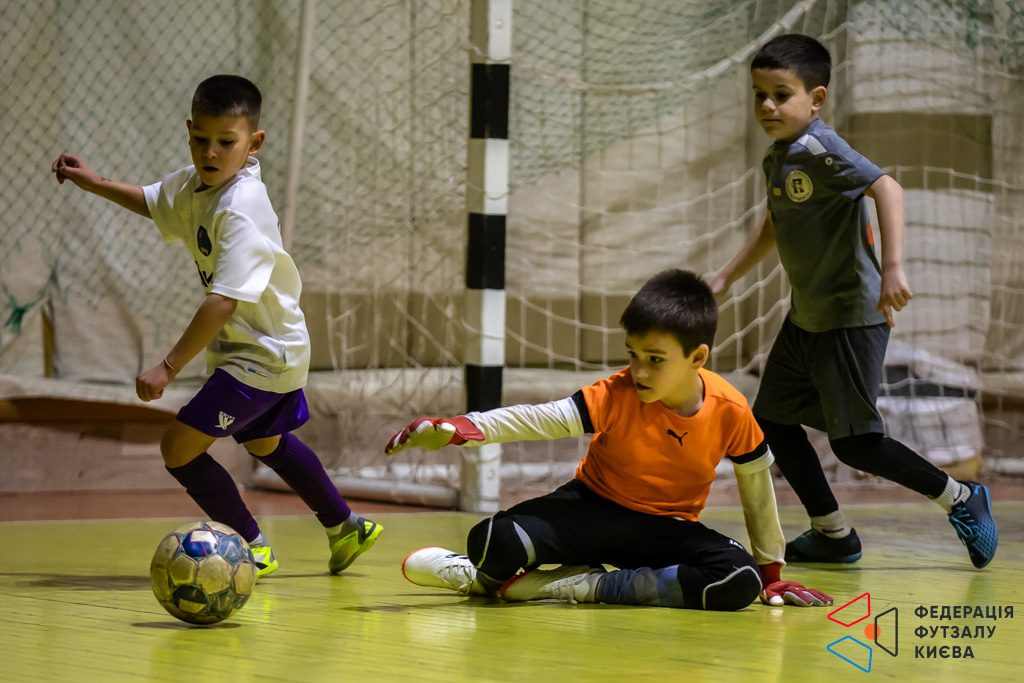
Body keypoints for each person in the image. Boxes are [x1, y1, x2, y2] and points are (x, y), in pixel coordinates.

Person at [52, 74, 382, 577]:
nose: (210, 152)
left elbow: (223, 302)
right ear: (189, 131)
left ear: (254, 143)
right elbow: (155, 202)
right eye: (201, 138)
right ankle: (345, 525)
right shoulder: (195, 183)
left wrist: (167, 367)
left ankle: (251, 547)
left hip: (263, 355)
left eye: (226, 142)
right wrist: (95, 184)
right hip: (264, 350)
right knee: (266, 442)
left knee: (178, 448)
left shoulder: (241, 207)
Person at [709, 34, 996, 568]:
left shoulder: (821, 148)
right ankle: (833, 533)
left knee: (856, 444)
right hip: (806, 318)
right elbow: (776, 223)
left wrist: (893, 267)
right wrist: (725, 277)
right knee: (770, 420)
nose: (767, 106)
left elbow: (887, 188)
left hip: (849, 318)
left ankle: (962, 497)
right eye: (758, 95)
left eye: (781, 95)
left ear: (816, 99)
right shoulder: (778, 158)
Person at [386, 269, 832, 611]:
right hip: (589, 511)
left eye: (655, 359)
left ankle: (583, 585)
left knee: (737, 581)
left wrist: (771, 573)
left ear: (697, 357)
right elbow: (538, 419)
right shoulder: (617, 393)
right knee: (492, 541)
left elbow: (758, 494)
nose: (639, 371)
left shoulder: (731, 409)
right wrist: (460, 429)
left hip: (667, 529)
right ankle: (480, 577)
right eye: (633, 355)